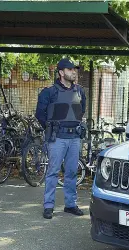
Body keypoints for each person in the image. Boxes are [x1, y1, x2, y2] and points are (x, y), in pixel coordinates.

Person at [35, 58, 87, 219]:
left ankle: (70, 204)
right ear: (61, 72)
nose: (74, 72)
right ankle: (48, 206)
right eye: (70, 69)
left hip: (74, 137)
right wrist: (51, 128)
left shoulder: (79, 91)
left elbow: (81, 110)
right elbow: (40, 114)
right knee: (53, 172)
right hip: (57, 138)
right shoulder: (49, 92)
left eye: (75, 69)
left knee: (72, 172)